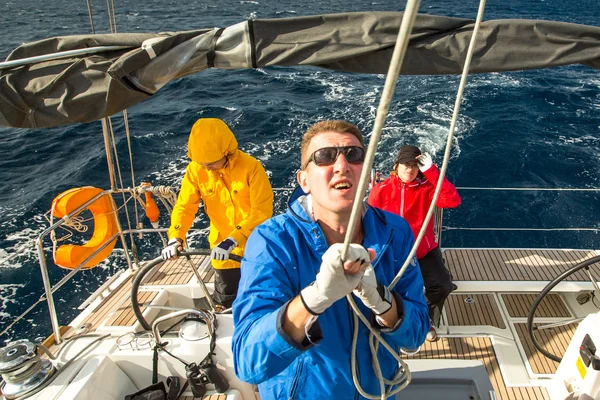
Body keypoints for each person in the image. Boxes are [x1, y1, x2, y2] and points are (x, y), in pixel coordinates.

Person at [232, 120, 429, 399]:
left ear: (369, 176)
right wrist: (314, 299)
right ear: (304, 181)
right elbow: (249, 362)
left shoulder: (396, 232)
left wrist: (382, 302)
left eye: (354, 155)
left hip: (379, 392)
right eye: (324, 157)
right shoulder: (273, 242)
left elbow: (416, 333)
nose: (341, 166)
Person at [161, 118, 273, 309]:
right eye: (202, 163)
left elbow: (261, 212)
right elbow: (184, 207)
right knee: (225, 300)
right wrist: (176, 237)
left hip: (256, 248)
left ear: (226, 152)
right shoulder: (195, 170)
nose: (207, 168)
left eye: (211, 163)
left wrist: (233, 239)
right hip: (222, 254)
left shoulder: (251, 168)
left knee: (261, 298)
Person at [368, 145, 461, 341]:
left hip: (423, 251)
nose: (409, 169)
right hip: (391, 252)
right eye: (405, 164)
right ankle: (386, 322)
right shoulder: (381, 190)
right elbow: (370, 222)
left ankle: (425, 320)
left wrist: (432, 172)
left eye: (414, 165)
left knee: (442, 285)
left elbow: (452, 200)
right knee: (376, 286)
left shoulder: (428, 189)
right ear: (396, 165)